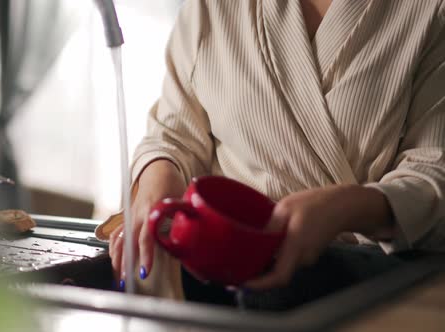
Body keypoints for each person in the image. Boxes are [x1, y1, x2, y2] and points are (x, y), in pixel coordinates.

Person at [98, 0, 445, 302]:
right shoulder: (211, 7)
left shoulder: (430, 10)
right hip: (221, 283)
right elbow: (173, 134)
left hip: (370, 293)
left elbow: (433, 172)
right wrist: (156, 184)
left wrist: (349, 206)